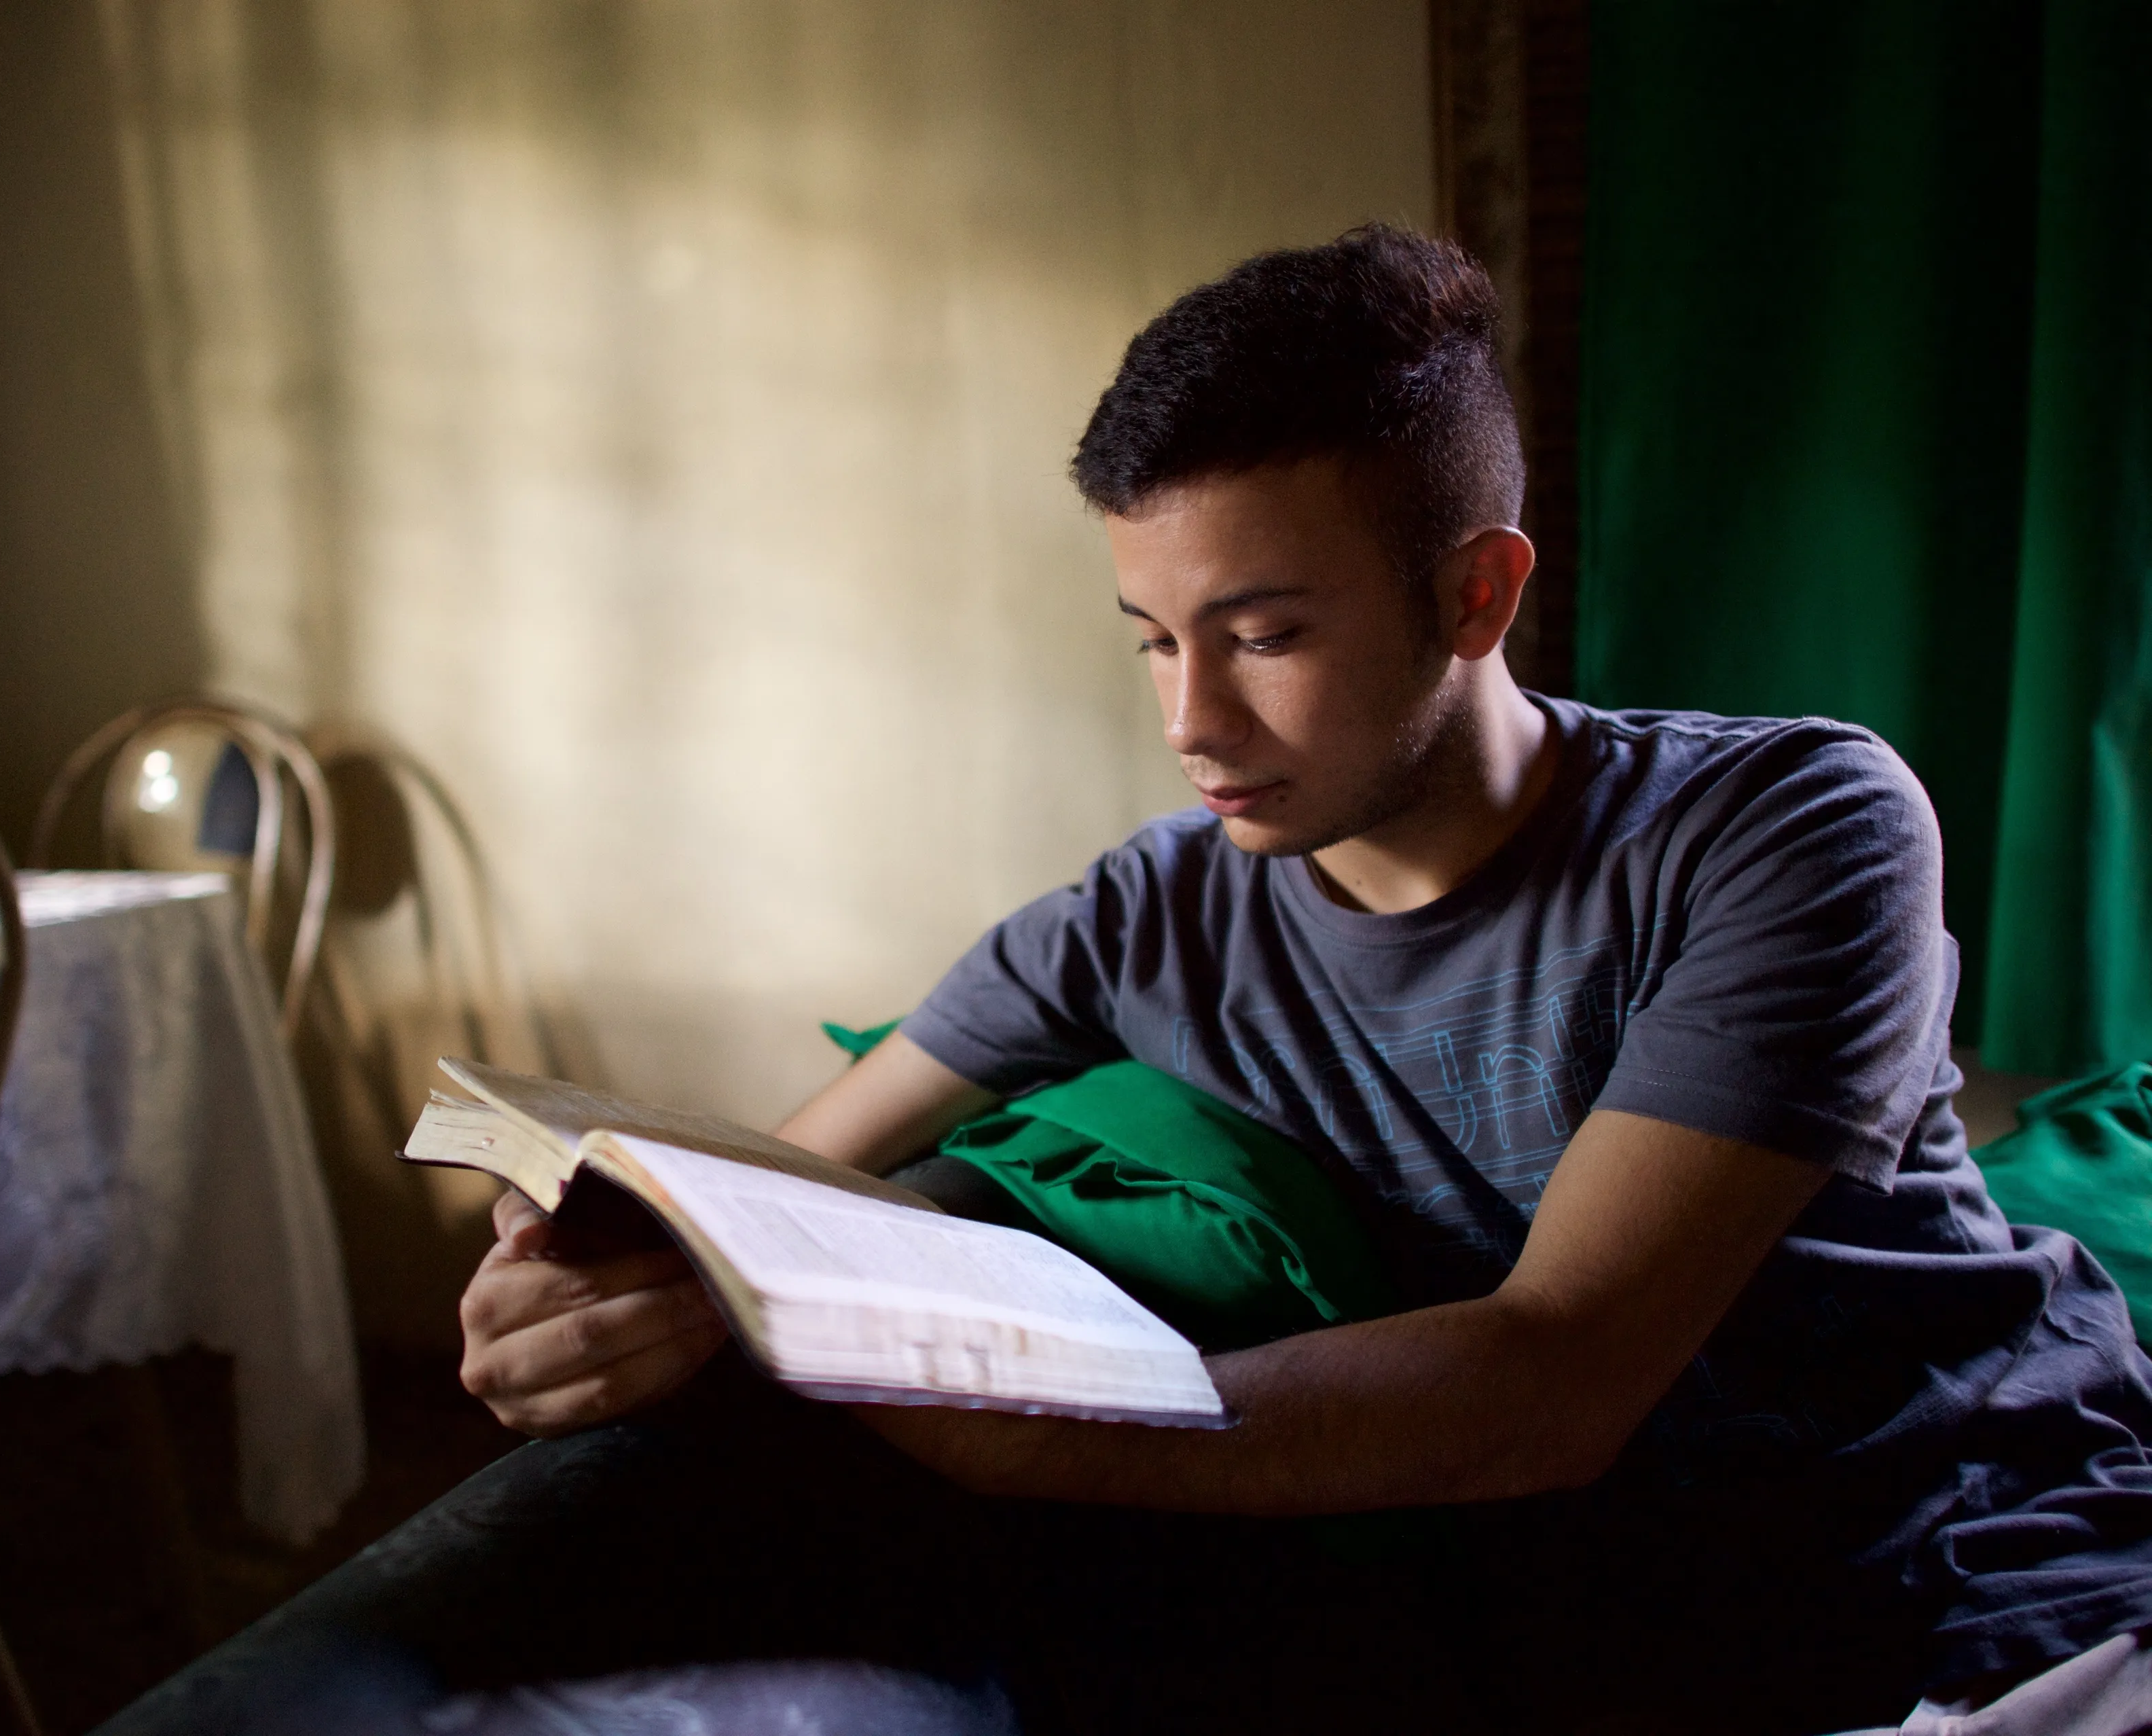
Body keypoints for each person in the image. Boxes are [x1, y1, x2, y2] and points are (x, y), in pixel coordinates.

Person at [104, 227, 2152, 1736]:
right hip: (1561, 1620)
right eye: (1147, 638)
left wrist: (1000, 1424)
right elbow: (801, 1168)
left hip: (1977, 1556)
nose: (1193, 715)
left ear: (1479, 588)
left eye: (1260, 631)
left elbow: (1552, 1372)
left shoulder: (1786, 826)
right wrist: (609, 1260)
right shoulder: (1150, 915)